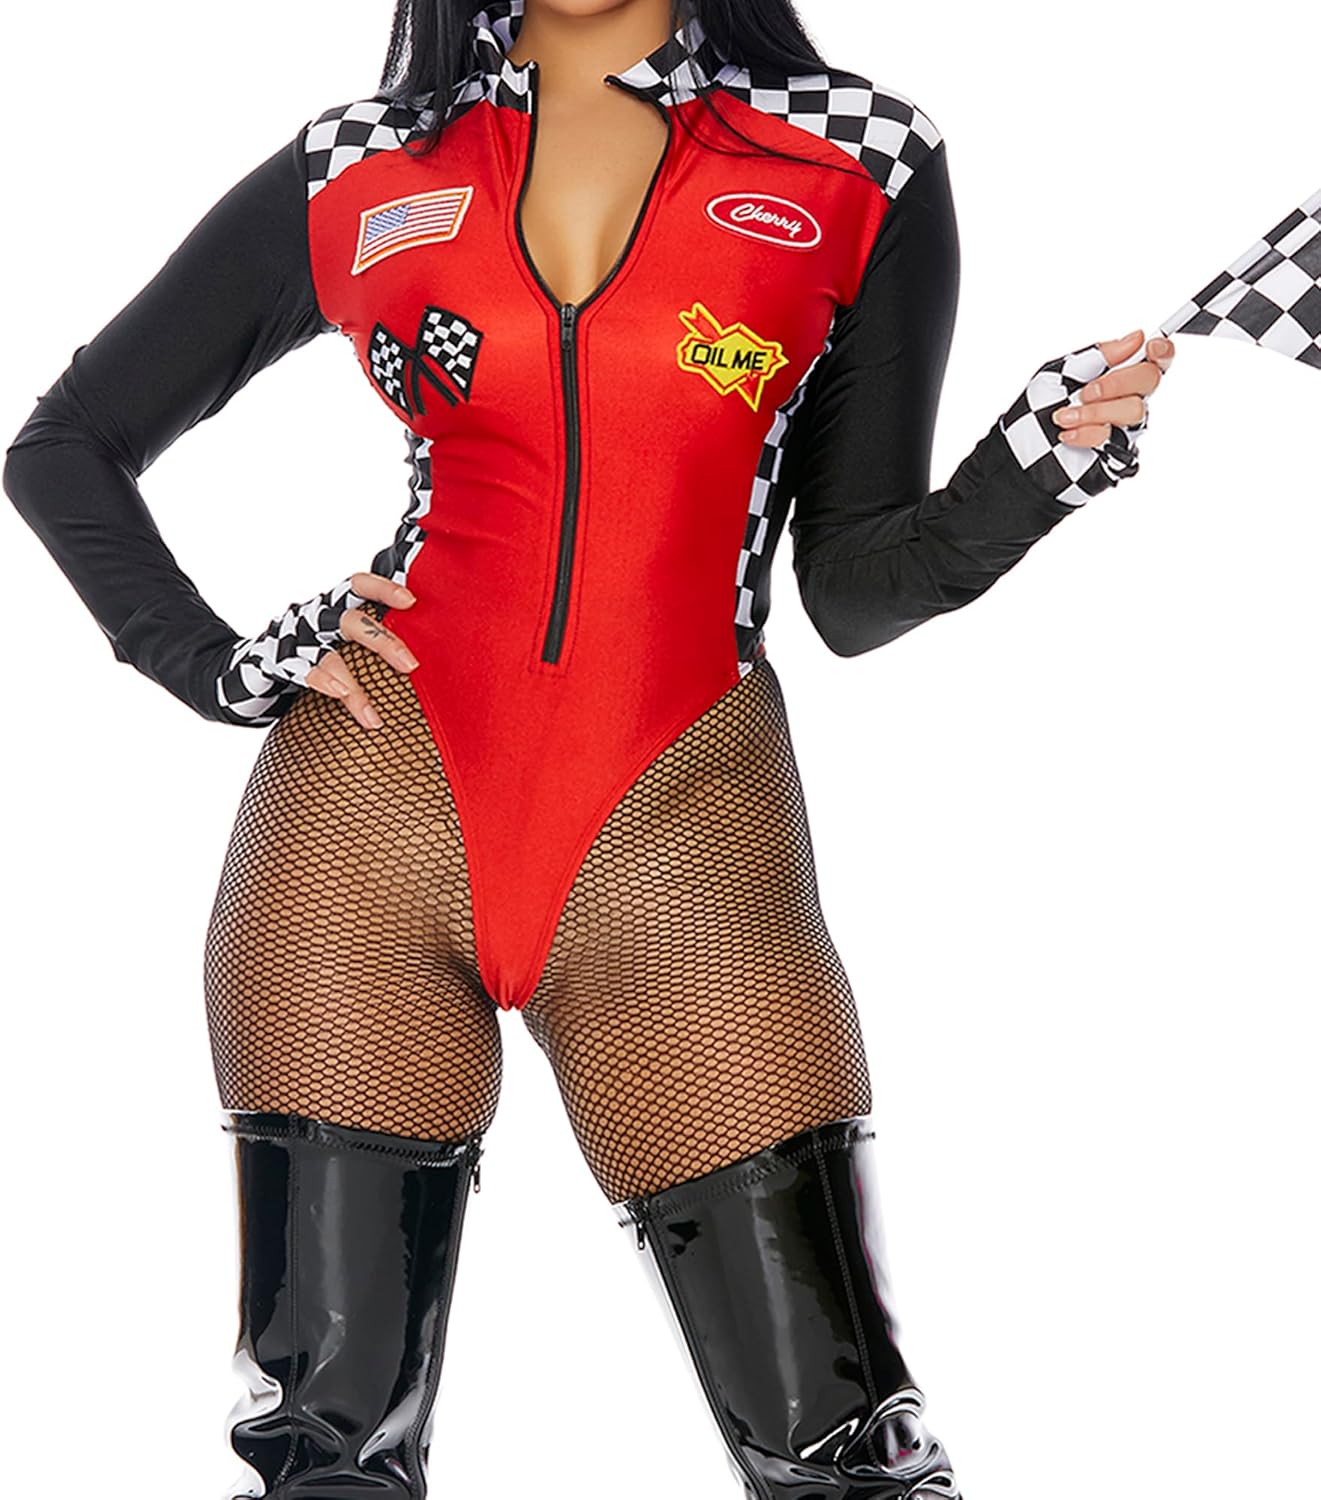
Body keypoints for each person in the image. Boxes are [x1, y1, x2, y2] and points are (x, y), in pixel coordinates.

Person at [3, 0, 1175, 1494]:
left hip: (680, 838)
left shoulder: (855, 156)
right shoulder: (361, 163)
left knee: (843, 1456)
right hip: (360, 824)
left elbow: (855, 587)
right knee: (323, 1462)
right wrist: (221, 667)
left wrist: (1036, 464)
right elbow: (64, 445)